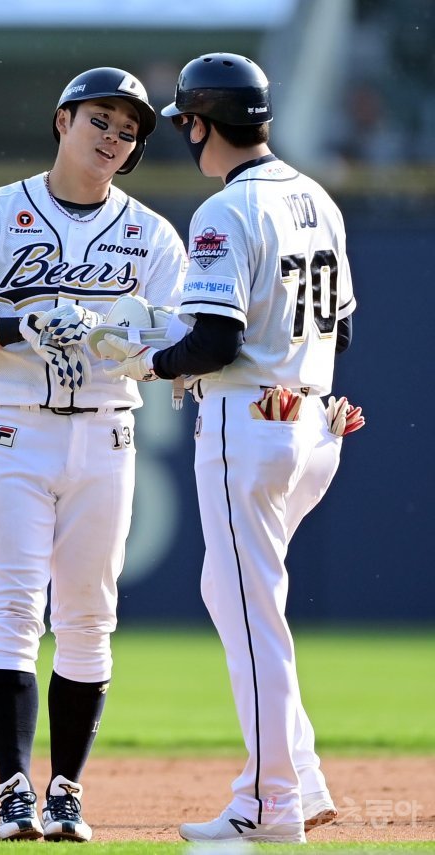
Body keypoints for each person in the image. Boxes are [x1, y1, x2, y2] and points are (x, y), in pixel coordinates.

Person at [97, 53, 361, 845]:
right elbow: (342, 328)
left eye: (185, 121)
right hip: (311, 425)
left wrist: (151, 360)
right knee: (235, 595)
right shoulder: (317, 197)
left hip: (250, 427)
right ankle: (301, 776)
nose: (186, 135)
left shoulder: (226, 211)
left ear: (201, 124)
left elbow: (213, 343)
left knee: (251, 614)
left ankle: (270, 804)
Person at [0, 67, 186, 842]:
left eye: (128, 131)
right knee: (10, 608)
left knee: (89, 615)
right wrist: (18, 327)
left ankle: (66, 790)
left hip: (107, 431)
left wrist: (135, 342)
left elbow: (178, 338)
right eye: (101, 119)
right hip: (14, 429)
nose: (113, 137)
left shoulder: (152, 234)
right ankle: (13, 790)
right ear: (63, 120)